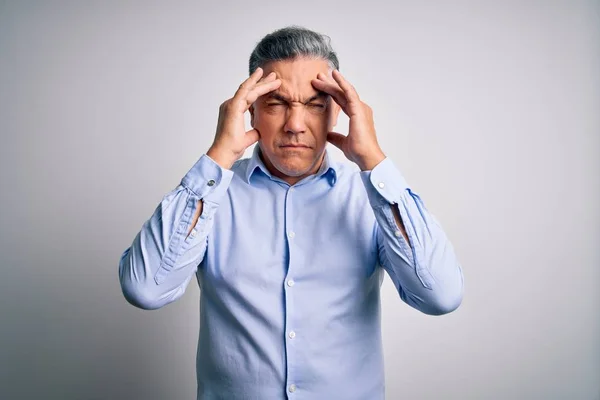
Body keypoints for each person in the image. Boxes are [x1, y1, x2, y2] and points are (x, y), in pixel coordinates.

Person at [118, 25, 464, 400]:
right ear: (249, 110)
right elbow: (146, 288)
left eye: (315, 105)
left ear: (338, 113)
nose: (295, 125)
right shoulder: (212, 195)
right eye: (276, 103)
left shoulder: (371, 196)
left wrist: (373, 161)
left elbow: (440, 296)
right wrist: (218, 155)